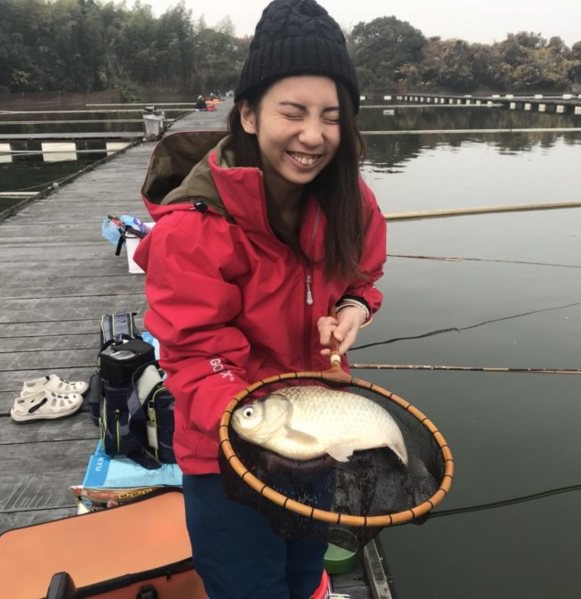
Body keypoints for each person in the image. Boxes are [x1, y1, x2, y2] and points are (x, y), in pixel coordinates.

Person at [132, 0, 386, 597]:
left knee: (303, 576)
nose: (314, 135)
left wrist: (353, 309)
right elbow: (194, 356)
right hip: (226, 456)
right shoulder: (190, 232)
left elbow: (362, 276)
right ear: (247, 113)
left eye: (331, 116)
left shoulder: (353, 200)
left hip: (315, 437)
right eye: (292, 113)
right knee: (251, 587)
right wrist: (265, 434)